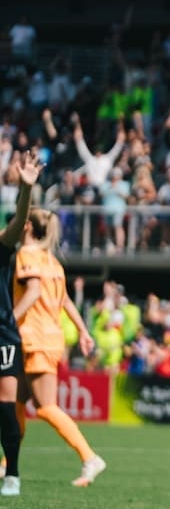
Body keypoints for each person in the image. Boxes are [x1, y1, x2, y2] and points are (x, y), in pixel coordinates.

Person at [13, 207, 100, 488]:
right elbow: (65, 301)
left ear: (26, 226)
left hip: (35, 337)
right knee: (15, 402)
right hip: (42, 337)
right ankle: (7, 463)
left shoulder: (28, 256)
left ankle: (90, 458)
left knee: (45, 407)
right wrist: (83, 330)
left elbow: (34, 292)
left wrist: (7, 320)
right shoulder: (52, 261)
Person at [0, 151, 41, 496]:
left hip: (1, 334)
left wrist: (26, 190)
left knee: (5, 404)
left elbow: (17, 224)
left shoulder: (1, 245)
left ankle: (11, 472)